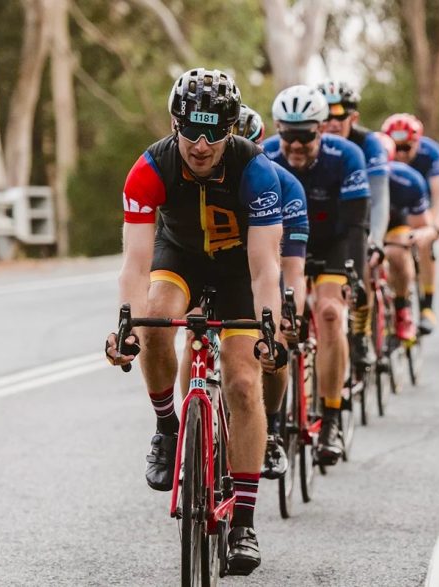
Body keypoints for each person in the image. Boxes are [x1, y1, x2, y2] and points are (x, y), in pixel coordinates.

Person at [105, 68, 283, 574]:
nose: (201, 145)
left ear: (231, 128)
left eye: (214, 132)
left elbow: (266, 267)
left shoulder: (257, 171)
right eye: (190, 131)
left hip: (237, 270)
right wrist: (127, 327)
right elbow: (135, 266)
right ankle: (166, 426)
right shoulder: (149, 169)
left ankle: (244, 521)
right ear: (173, 122)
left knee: (244, 381)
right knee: (155, 319)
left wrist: (267, 328)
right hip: (178, 258)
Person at [264, 85, 370, 466]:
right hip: (283, 246)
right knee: (272, 321)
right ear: (277, 129)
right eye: (287, 135)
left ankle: (331, 417)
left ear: (321, 129)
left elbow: (357, 225)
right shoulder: (265, 156)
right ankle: (273, 423)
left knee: (329, 313)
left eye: (305, 135)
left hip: (332, 245)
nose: (295, 145)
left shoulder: (347, 156)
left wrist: (355, 277)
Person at [227, 105, 310, 479]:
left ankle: (273, 429)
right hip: (220, 267)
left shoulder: (284, 184)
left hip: (265, 269)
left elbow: (290, 265)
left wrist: (291, 311)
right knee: (195, 334)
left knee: (274, 341)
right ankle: (186, 427)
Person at [317, 79, 390, 367]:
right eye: (326, 117)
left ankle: (360, 335)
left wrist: (377, 239)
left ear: (354, 118)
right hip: (317, 219)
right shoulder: (305, 140)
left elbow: (380, 197)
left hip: (356, 218)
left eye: (340, 117)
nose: (332, 124)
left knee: (364, 262)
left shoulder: (368, 144)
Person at [381, 113, 439, 335]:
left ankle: (427, 305)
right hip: (390, 205)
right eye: (395, 148)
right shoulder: (379, 154)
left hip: (421, 206)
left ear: (417, 142)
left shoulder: (431, 153)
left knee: (424, 240)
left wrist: (435, 228)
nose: (400, 154)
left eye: (406, 148)